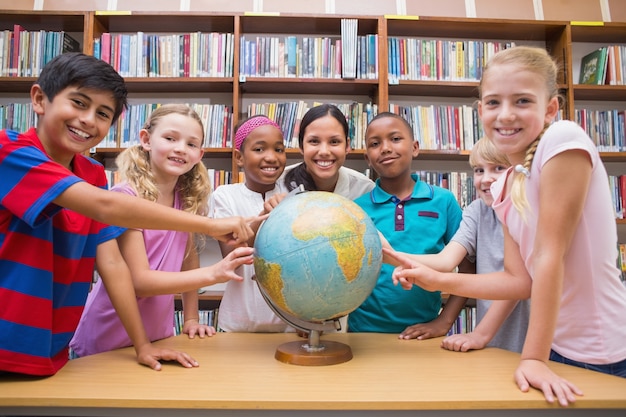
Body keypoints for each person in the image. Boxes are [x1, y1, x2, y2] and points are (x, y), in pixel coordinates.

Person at [385, 46, 626, 406]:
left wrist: (532, 357)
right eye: (494, 102)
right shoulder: (507, 184)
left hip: (601, 352)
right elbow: (519, 281)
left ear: (550, 108)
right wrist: (437, 279)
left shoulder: (562, 138)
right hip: (554, 348)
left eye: (523, 101)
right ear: (480, 110)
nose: (506, 114)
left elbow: (548, 255)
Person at [0, 53, 257, 376]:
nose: (89, 120)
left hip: (53, 348)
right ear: (39, 99)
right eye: (79, 103)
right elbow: (107, 207)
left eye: (103, 113)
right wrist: (210, 227)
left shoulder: (91, 173)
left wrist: (142, 345)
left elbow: (112, 265)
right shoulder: (9, 151)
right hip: (7, 343)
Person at [69, 104, 251, 356]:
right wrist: (215, 273)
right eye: (170, 138)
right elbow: (140, 282)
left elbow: (188, 258)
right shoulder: (126, 198)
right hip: (108, 335)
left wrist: (190, 319)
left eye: (191, 144)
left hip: (158, 335)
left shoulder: (186, 199)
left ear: (200, 154)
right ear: (146, 140)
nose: (180, 148)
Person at [388, 136, 529, 352]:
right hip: (493, 341)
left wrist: (481, 334)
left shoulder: (526, 210)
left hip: (528, 339)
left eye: (498, 168)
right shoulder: (476, 210)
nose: (485, 179)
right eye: (479, 170)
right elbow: (445, 261)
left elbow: (516, 285)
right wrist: (387, 253)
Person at [347, 112, 464, 335]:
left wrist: (444, 322)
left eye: (395, 139)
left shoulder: (444, 201)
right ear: (367, 158)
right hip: (363, 334)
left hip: (423, 335)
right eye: (375, 143)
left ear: (415, 147)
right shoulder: (355, 210)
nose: (385, 148)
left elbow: (468, 268)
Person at [210, 115, 292, 332]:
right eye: (259, 149)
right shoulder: (224, 195)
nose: (271, 157)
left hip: (288, 326)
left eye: (279, 149)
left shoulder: (293, 197)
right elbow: (232, 257)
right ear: (239, 157)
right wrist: (264, 216)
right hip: (237, 325)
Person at [282, 103, 374, 200]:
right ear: (301, 146)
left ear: (347, 146)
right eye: (314, 141)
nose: (324, 152)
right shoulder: (278, 185)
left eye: (334, 142)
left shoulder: (365, 190)